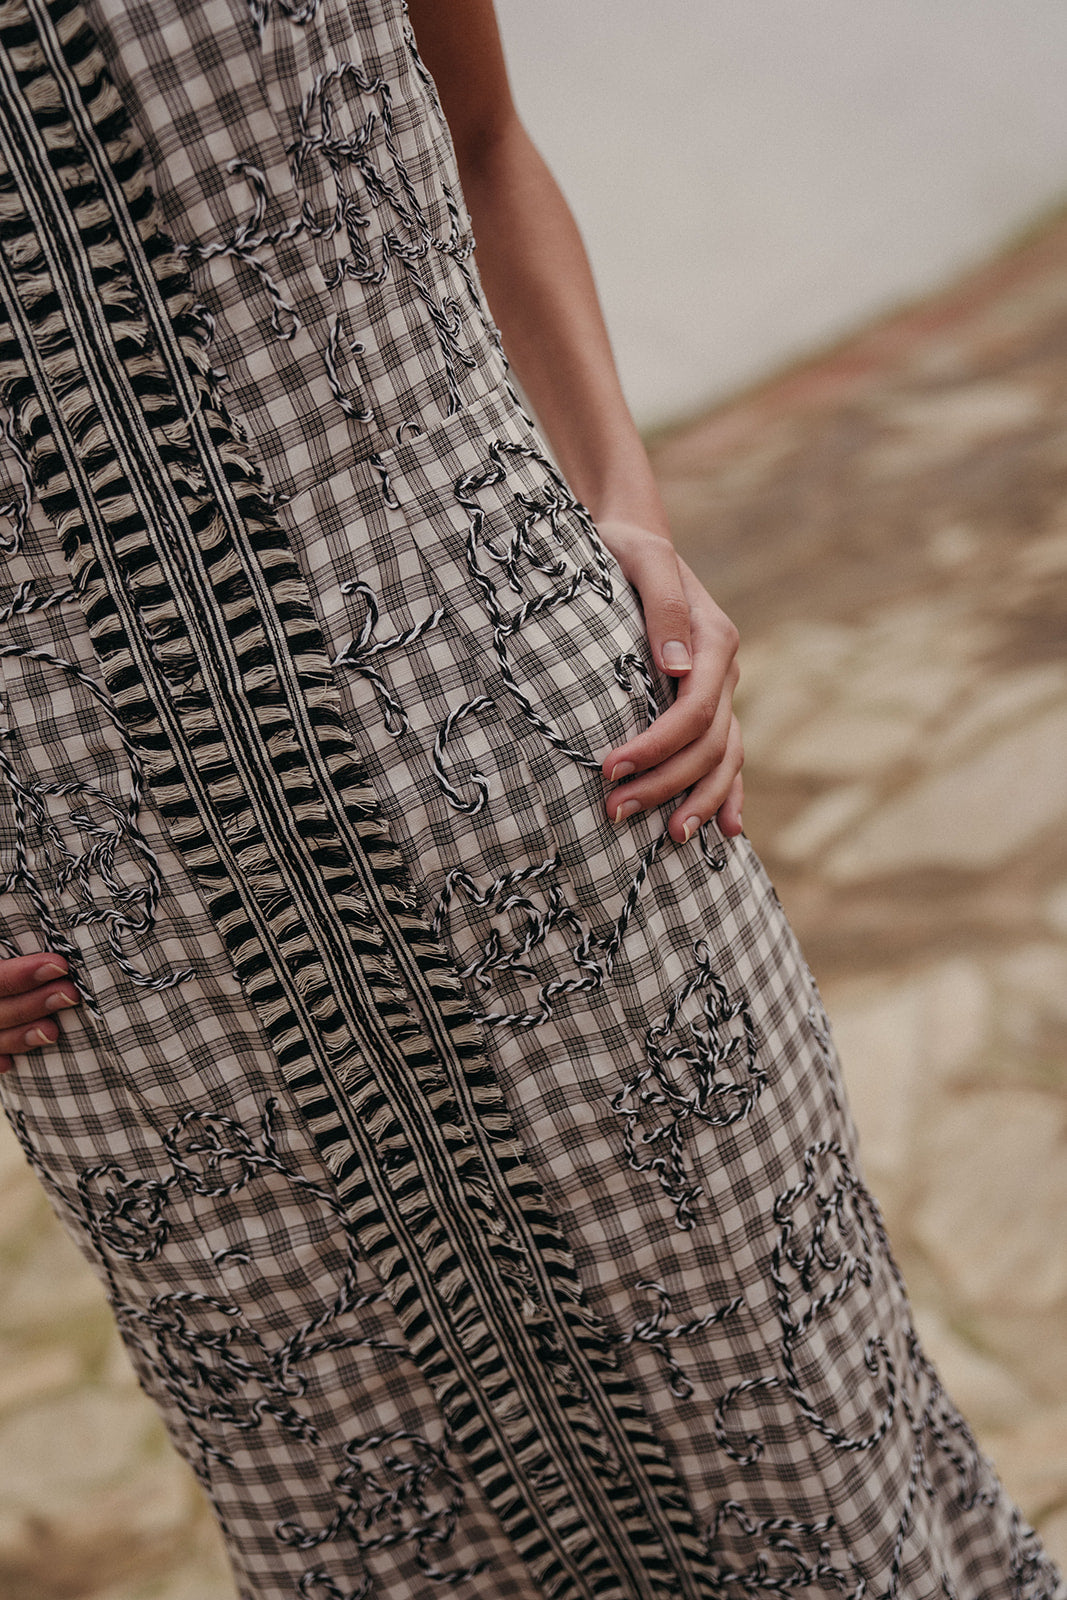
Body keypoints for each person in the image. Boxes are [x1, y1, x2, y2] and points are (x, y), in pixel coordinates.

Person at [0, 1, 1060, 1597]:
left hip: (547, 775)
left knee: (822, 1481)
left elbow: (485, 139)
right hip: (124, 986)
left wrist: (632, 515)